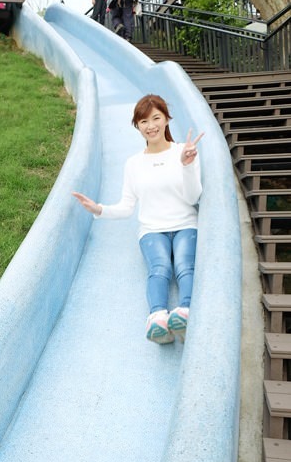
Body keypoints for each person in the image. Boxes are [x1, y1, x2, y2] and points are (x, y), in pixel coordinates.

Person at [72, 94, 204, 345]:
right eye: (144, 121)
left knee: (185, 266)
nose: (151, 125)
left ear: (166, 120)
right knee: (160, 268)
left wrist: (187, 165)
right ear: (137, 126)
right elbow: (126, 207)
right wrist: (98, 209)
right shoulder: (133, 164)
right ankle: (158, 319)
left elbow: (193, 196)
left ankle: (185, 313)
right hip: (152, 230)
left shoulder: (183, 151)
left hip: (185, 223)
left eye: (156, 118)